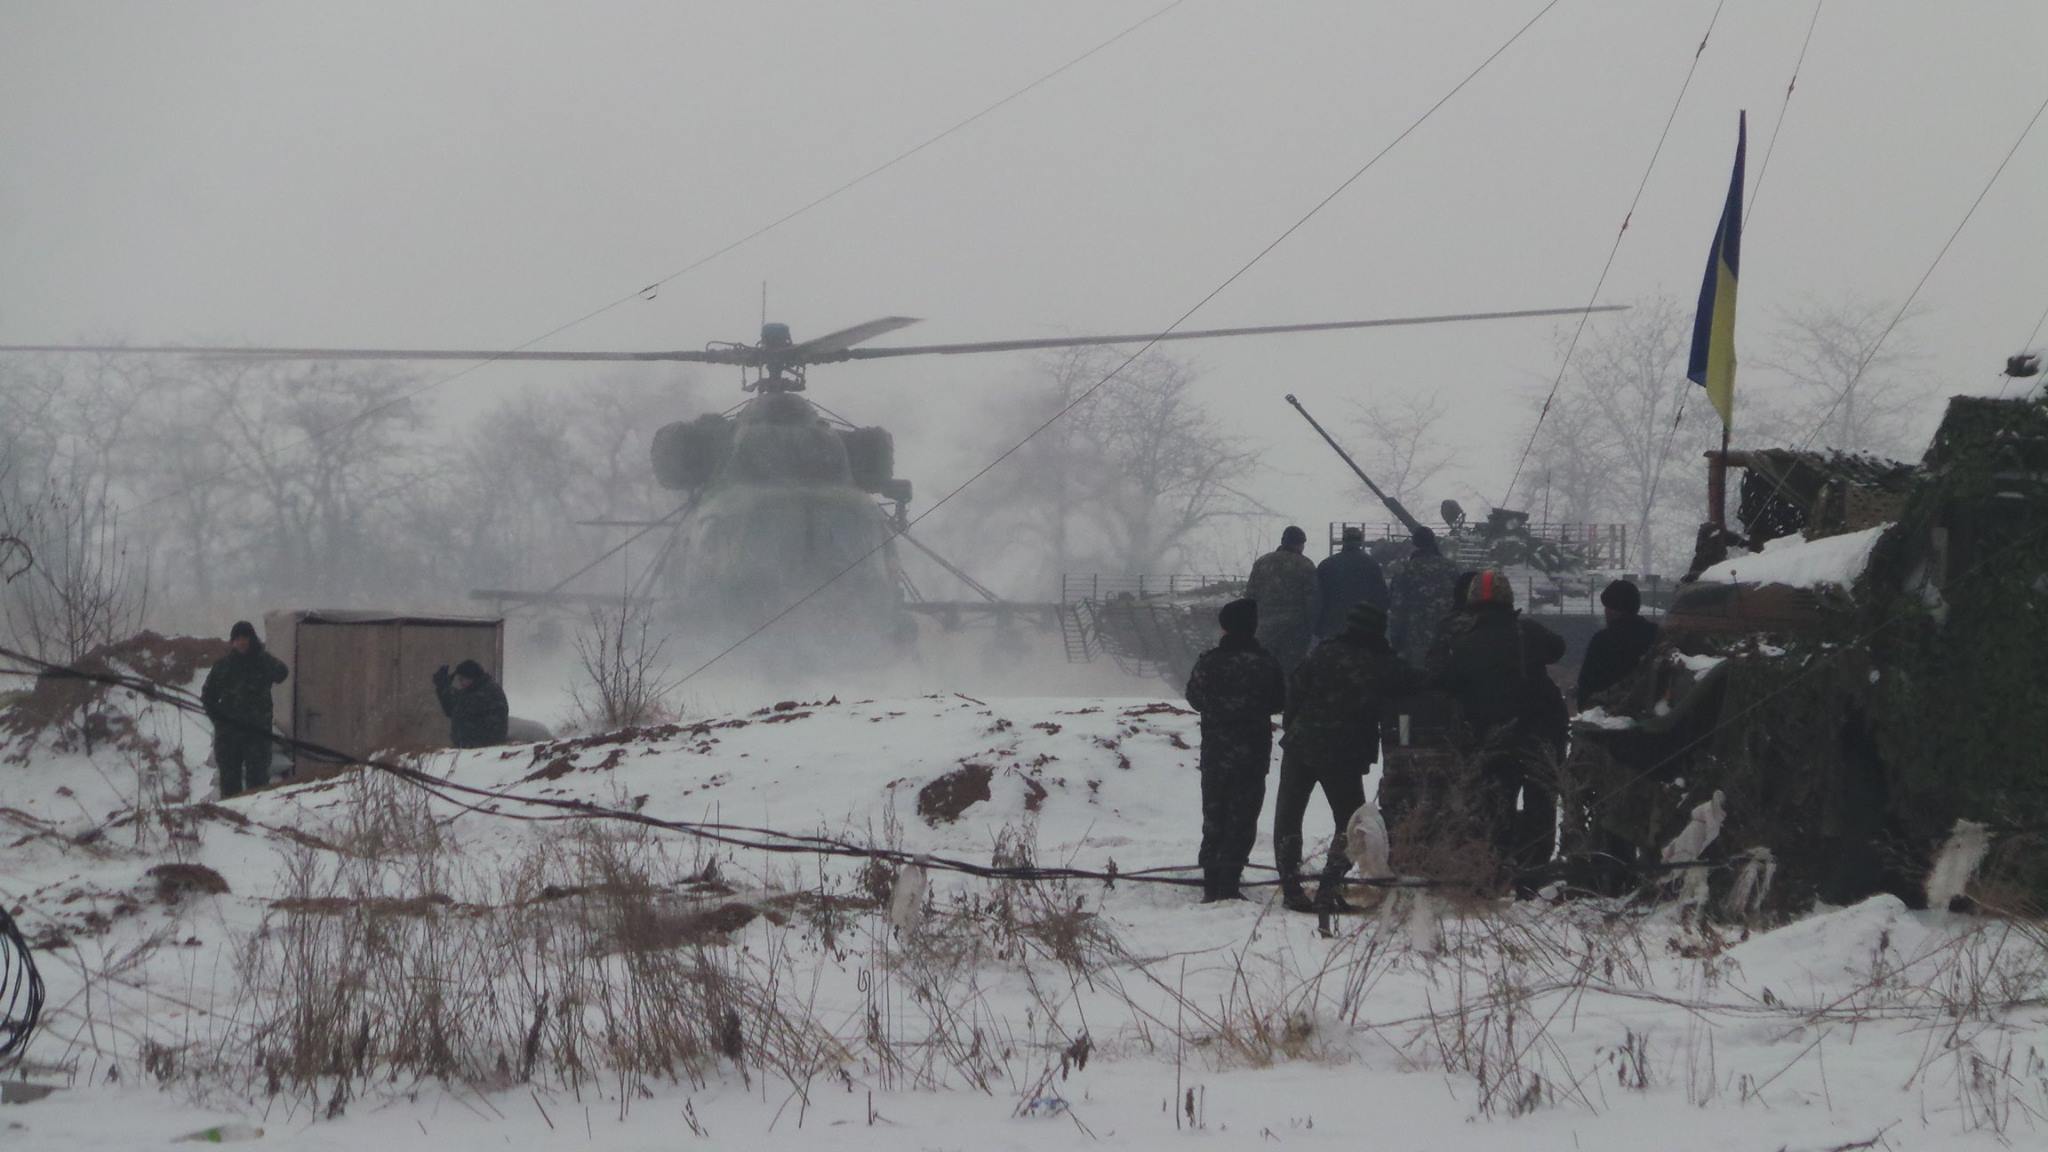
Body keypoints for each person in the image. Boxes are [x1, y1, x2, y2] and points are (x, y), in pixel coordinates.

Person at [1274, 601, 1423, 913]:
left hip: (1301, 745)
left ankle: (1290, 886)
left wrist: (1293, 725)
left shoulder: (1324, 651)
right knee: (1351, 823)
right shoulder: (1383, 663)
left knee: (1289, 816)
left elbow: (1296, 688)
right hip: (1343, 754)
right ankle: (1330, 885)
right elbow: (1417, 682)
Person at [1427, 571, 1566, 882]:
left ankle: (1495, 871)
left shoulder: (1463, 642)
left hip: (1492, 736)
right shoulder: (1527, 631)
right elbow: (1559, 648)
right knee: (1540, 806)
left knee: (1495, 805)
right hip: (1541, 731)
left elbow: (1440, 679)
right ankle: (1533, 875)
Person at [1183, 598, 1287, 903]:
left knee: (1213, 817)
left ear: (1224, 626)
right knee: (1242, 820)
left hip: (1215, 754)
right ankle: (1229, 883)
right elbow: (1280, 700)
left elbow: (1194, 697)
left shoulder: (1209, 662)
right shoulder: (1265, 663)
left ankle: (1211, 883)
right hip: (1252, 755)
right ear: (1253, 627)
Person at [200, 620, 289, 798]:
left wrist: (261, 656)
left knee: (257, 785)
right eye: (237, 638)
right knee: (229, 785)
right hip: (228, 737)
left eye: (245, 638)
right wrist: (220, 721)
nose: (241, 642)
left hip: (257, 735)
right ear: (232, 641)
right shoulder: (223, 666)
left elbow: (282, 673)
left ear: (252, 639)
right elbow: (207, 697)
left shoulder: (262, 662)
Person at [1577, 579, 1661, 708]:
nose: (1605, 611)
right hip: (1649, 708)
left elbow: (1586, 685)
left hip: (1610, 713)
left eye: (1608, 607)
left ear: (1613, 610)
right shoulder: (1656, 634)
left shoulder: (1602, 640)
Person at [1246, 525, 1319, 674]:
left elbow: (1250, 597)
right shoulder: (1305, 565)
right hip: (1294, 633)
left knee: (1264, 673)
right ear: (1300, 544)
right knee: (1290, 675)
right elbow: (1312, 602)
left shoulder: (1262, 563)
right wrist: (1312, 629)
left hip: (1264, 630)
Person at [1386, 526, 1461, 667]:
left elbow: (1397, 607)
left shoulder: (1407, 570)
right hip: (1448, 640)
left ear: (1415, 544)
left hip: (1416, 640)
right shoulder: (1450, 567)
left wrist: (1396, 640)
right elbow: (1461, 601)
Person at [1313, 526, 1388, 642]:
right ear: (1360, 541)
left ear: (1343, 541)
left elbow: (1316, 598)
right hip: (1362, 626)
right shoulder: (1372, 565)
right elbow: (1382, 598)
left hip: (1333, 625)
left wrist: (1318, 627)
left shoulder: (1326, 565)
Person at [433, 659, 509, 748]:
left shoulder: (488, 691)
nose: (461, 683)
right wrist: (443, 687)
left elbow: (460, 707)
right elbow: (453, 708)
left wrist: (445, 688)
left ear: (471, 677)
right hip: (472, 746)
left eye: (462, 679)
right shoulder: (474, 690)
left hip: (484, 747)